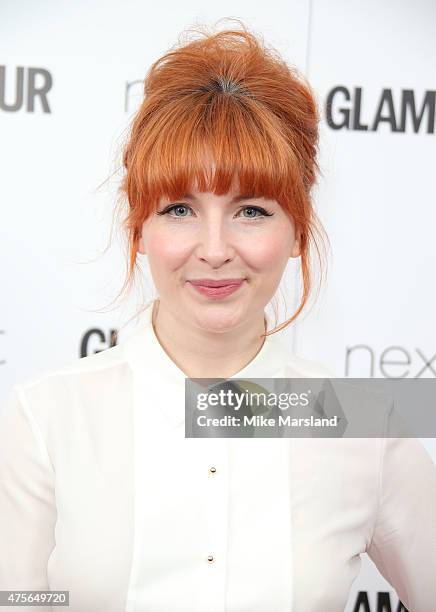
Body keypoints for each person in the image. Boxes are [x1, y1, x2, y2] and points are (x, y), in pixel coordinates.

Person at [1, 21, 436, 612]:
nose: (213, 249)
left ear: (298, 233)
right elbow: (19, 601)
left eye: (251, 211)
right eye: (180, 209)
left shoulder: (363, 425)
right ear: (138, 230)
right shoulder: (46, 417)